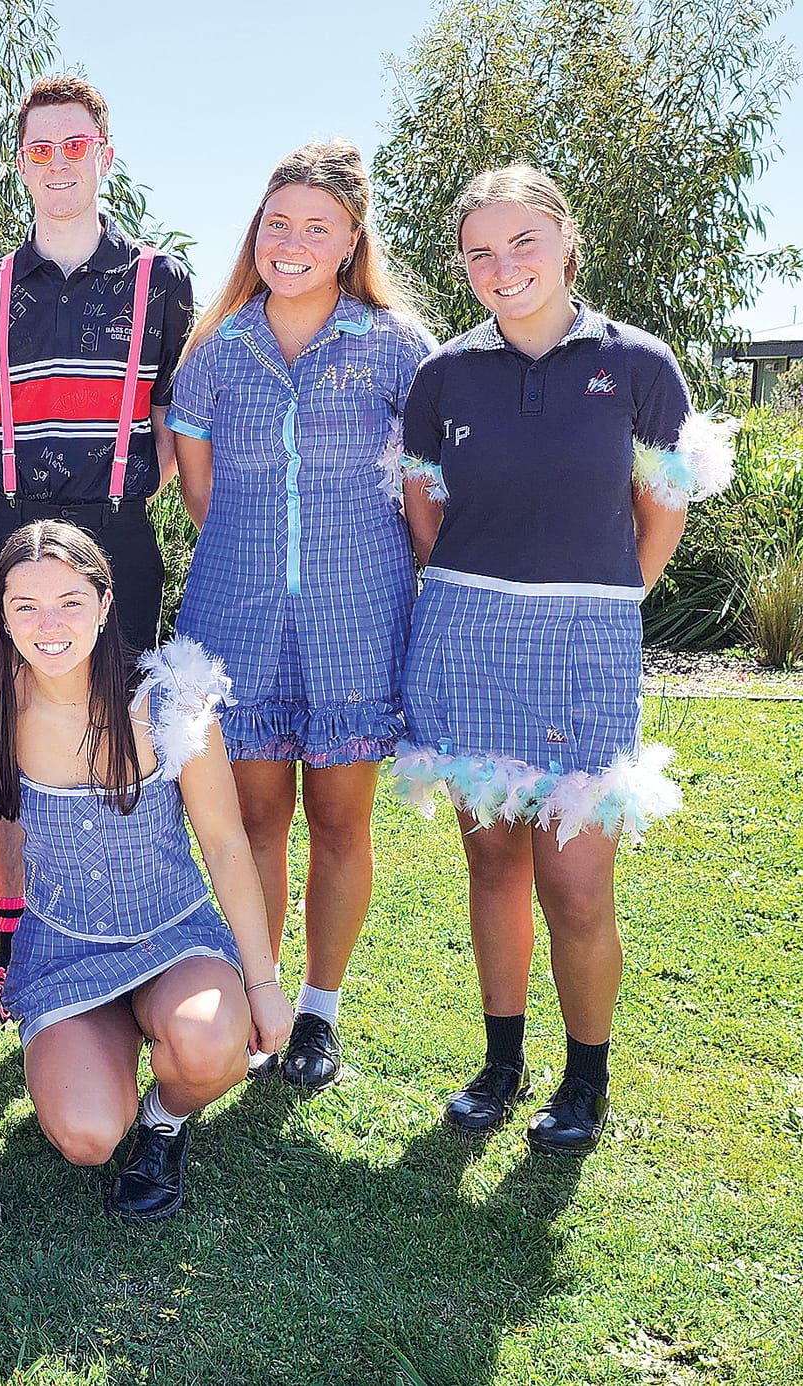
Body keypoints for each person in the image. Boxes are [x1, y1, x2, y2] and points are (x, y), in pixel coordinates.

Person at [391, 165, 733, 1156]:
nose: (501, 267)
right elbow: (424, 511)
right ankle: (500, 1064)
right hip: (463, 632)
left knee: (574, 882)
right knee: (490, 856)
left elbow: (662, 498)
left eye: (521, 243)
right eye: (478, 252)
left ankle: (585, 1074)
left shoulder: (635, 363)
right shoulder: (442, 374)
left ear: (563, 242)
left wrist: (613, 592)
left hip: (586, 640)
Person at [163, 141, 436, 1092]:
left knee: (339, 816)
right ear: (256, 230)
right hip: (234, 615)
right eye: (278, 222)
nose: (293, 241)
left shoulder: (396, 346)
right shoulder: (218, 348)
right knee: (255, 815)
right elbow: (202, 496)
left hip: (359, 609)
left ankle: (319, 1009)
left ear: (352, 239)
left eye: (317, 226)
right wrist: (262, 559)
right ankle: (259, 991)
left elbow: (423, 487)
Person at [0, 521, 291, 1222]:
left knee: (213, 1044)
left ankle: (164, 1119)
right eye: (24, 606)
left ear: (104, 601)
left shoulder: (168, 703)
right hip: (63, 948)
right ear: (0, 616)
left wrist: (264, 981)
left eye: (69, 601)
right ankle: (105, 1053)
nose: (48, 623)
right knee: (88, 1137)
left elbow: (225, 844)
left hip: (172, 937)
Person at [0, 75, 197, 1007]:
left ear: (105, 152)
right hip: (9, 531)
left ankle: (124, 919)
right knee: (6, 734)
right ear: (23, 162)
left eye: (76, 145)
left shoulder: (159, 279)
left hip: (116, 536)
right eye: (40, 148)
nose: (59, 162)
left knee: (119, 727)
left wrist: (118, 504)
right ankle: (18, 932)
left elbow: (171, 417)